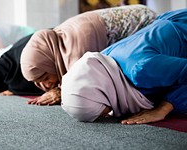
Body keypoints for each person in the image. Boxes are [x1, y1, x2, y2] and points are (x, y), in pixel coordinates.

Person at [60, 8, 187, 124]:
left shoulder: (141, 69)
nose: (106, 115)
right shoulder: (103, 64)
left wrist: (163, 108)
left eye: (100, 113)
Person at [20, 4, 157, 105]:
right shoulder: (57, 47)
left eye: (45, 77)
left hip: (147, 22)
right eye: (39, 82)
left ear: (48, 61)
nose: (46, 84)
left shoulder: (77, 44)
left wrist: (59, 92)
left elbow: (84, 85)